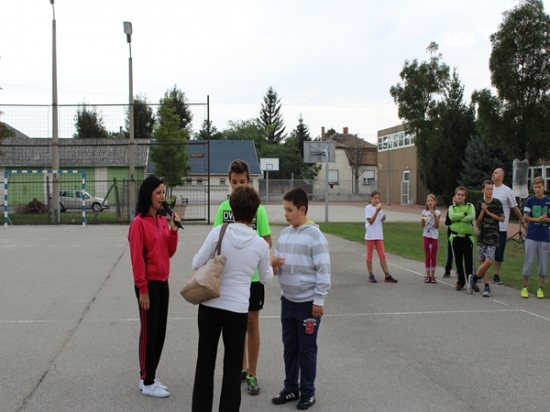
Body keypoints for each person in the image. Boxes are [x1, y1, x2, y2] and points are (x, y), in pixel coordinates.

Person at [192, 185, 273, 412]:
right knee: (232, 367)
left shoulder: (218, 232)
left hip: (210, 304)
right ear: (255, 214)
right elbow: (265, 278)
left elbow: (196, 263)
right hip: (237, 310)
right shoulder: (260, 244)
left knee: (205, 363)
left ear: (232, 209)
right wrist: (271, 264)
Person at [213, 159, 272, 395]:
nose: (238, 186)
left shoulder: (259, 210)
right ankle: (240, 367)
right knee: (235, 325)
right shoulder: (223, 209)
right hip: (230, 278)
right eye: (234, 182)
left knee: (251, 323)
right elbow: (216, 240)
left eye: (242, 182)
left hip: (252, 278)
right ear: (229, 182)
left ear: (250, 181)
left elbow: (267, 241)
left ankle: (252, 373)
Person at [271, 187, 331, 411]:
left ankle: (308, 391)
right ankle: (290, 387)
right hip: (288, 301)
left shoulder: (314, 236)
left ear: (302, 209)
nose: (285, 214)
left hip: (307, 304)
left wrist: (319, 300)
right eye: (284, 209)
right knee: (290, 347)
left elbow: (323, 270)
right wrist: (275, 268)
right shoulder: (285, 234)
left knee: (306, 349)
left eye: (290, 210)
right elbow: (278, 261)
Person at [128, 175, 181, 398]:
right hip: (148, 284)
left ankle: (150, 375)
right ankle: (147, 381)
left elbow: (169, 252)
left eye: (163, 192)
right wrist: (143, 289)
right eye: (158, 192)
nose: (162, 196)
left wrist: (173, 231)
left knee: (160, 332)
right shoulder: (139, 223)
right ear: (148, 194)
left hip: (162, 282)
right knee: (149, 333)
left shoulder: (161, 220)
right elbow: (137, 259)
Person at [468, 180, 504, 297]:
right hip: (482, 236)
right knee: (483, 262)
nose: (490, 191)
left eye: (491, 189)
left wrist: (488, 212)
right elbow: (477, 222)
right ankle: (486, 286)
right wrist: (483, 211)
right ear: (483, 190)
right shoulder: (479, 203)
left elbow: (502, 218)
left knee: (489, 261)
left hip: (493, 236)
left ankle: (474, 278)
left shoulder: (497, 203)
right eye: (487, 189)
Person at [491, 167, 527, 284]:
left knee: (499, 252)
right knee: (487, 251)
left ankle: (496, 275)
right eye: (493, 172)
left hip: (501, 227)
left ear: (501, 176)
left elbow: (515, 208)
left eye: (495, 173)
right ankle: (483, 273)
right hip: (489, 227)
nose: (493, 174)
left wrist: (522, 221)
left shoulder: (507, 191)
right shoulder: (489, 189)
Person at [520, 176, 550, 299]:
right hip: (531, 235)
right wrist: (537, 219)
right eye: (535, 187)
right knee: (528, 261)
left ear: (544, 187)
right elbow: (525, 217)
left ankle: (540, 288)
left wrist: (545, 219)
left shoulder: (548, 201)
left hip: (545, 237)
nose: (537, 189)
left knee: (542, 263)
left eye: (539, 187)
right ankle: (524, 287)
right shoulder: (530, 201)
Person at [364, 190, 398, 283]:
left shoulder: (379, 208)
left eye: (378, 198)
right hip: (370, 235)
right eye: (375, 198)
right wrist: (376, 211)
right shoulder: (368, 208)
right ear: (371, 198)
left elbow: (379, 220)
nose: (377, 200)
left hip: (378, 235)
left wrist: (382, 218)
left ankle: (387, 275)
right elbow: (371, 221)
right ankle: (371, 275)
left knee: (382, 255)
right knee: (369, 255)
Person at [448, 186, 476, 291]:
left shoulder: (470, 206)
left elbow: (471, 216)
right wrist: (463, 214)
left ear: (465, 197)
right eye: (458, 194)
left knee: (469, 260)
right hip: (456, 237)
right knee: (458, 261)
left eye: (462, 195)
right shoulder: (452, 208)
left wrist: (459, 217)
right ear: (455, 196)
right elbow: (452, 217)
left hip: (467, 237)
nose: (460, 196)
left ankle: (471, 281)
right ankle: (460, 281)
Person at [421, 194, 441, 283]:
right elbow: (422, 225)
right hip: (426, 236)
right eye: (428, 201)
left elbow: (437, 226)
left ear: (435, 202)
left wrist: (435, 216)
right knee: (427, 256)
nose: (430, 202)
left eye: (432, 201)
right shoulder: (424, 212)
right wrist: (422, 221)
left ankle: (432, 276)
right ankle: (427, 275)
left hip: (434, 237)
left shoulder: (437, 212)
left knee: (433, 256)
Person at [443, 195, 456, 278]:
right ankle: (447, 270)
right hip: (451, 235)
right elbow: (447, 223)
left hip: (461, 235)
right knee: (450, 254)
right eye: (454, 200)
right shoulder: (450, 210)